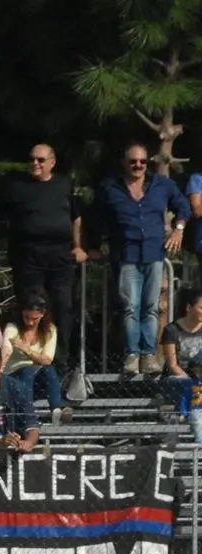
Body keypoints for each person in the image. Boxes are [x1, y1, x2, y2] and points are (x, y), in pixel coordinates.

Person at [0, 145, 86, 393]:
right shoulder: (15, 185)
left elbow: (76, 217)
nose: (35, 164)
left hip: (60, 259)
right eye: (31, 159)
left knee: (62, 308)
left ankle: (59, 365)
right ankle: (26, 363)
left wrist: (79, 247)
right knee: (31, 311)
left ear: (52, 162)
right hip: (27, 258)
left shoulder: (64, 184)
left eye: (40, 160)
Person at [94, 144, 190, 376]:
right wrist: (97, 245)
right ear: (124, 162)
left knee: (151, 308)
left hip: (154, 253)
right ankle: (131, 355)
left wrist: (178, 229)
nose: (138, 165)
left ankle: (148, 354)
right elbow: (95, 217)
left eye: (142, 161)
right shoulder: (110, 187)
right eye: (133, 161)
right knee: (129, 307)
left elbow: (183, 207)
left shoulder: (162, 185)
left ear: (148, 163)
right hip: (126, 255)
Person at [1, 292, 64, 421]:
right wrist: (0, 369)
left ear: (43, 314)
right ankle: (26, 412)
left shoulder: (50, 330)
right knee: (28, 369)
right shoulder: (13, 327)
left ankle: (56, 409)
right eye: (26, 317)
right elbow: (6, 348)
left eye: (34, 318)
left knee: (48, 369)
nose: (30, 322)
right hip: (13, 375)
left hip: (37, 379)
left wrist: (26, 350)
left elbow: (47, 360)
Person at [159, 286, 202, 441]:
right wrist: (192, 382)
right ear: (189, 308)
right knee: (186, 385)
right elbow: (172, 364)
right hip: (177, 377)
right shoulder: (172, 330)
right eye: (201, 308)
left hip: (199, 379)